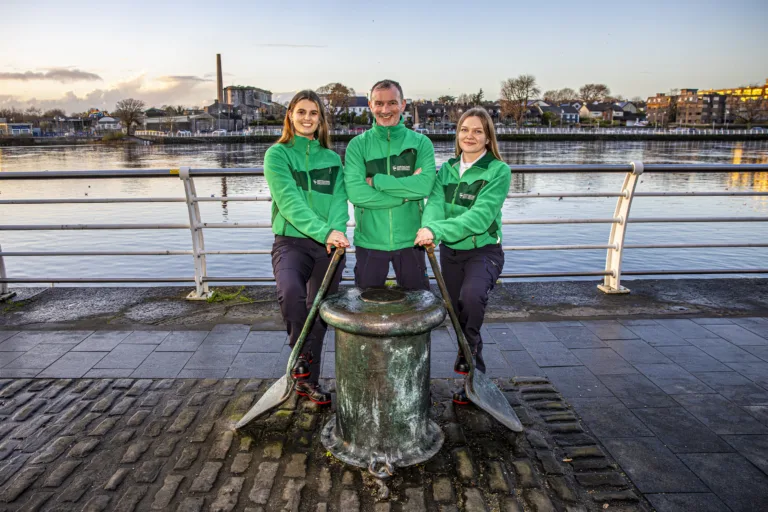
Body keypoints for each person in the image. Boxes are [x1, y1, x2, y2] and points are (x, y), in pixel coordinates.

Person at [414, 107, 510, 404]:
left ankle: (473, 369)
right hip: (451, 253)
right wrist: (429, 225)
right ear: (457, 135)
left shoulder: (498, 171)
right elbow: (434, 205)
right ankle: (467, 355)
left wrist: (436, 231)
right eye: (464, 130)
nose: (470, 136)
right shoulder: (447, 170)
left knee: (472, 297)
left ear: (487, 137)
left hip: (484, 251)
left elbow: (480, 218)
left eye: (477, 131)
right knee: (455, 309)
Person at [264, 90, 350, 405]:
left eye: (313, 113)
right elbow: (289, 203)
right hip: (291, 242)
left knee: (319, 310)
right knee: (290, 294)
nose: (307, 118)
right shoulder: (277, 155)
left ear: (320, 119)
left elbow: (340, 201)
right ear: (290, 115)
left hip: (329, 246)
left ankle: (307, 380)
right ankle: (300, 356)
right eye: (301, 112)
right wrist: (324, 230)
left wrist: (337, 232)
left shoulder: (331, 158)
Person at [344, 79, 436, 290]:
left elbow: (424, 187)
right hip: (369, 241)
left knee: (417, 308)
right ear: (370, 105)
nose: (385, 110)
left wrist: (377, 181)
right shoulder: (357, 145)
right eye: (379, 103)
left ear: (403, 105)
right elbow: (357, 194)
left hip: (412, 240)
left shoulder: (421, 143)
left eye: (392, 103)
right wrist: (406, 194)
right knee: (367, 310)